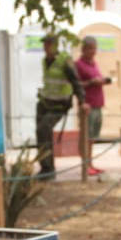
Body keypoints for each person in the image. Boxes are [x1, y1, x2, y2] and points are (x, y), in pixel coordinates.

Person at [35, 34, 86, 178]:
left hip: (59, 105)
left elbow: (76, 81)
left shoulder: (64, 60)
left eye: (48, 44)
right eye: (44, 44)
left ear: (55, 45)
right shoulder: (45, 60)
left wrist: (82, 101)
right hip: (44, 103)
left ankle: (49, 170)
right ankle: (45, 168)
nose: (45, 47)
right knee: (40, 133)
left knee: (44, 128)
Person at [74, 35, 112, 176]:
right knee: (85, 137)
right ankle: (85, 166)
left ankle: (90, 164)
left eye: (94, 48)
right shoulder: (78, 65)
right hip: (87, 105)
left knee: (92, 138)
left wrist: (102, 81)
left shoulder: (94, 64)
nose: (92, 51)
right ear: (83, 49)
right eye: (90, 48)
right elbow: (76, 85)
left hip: (98, 105)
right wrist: (91, 82)